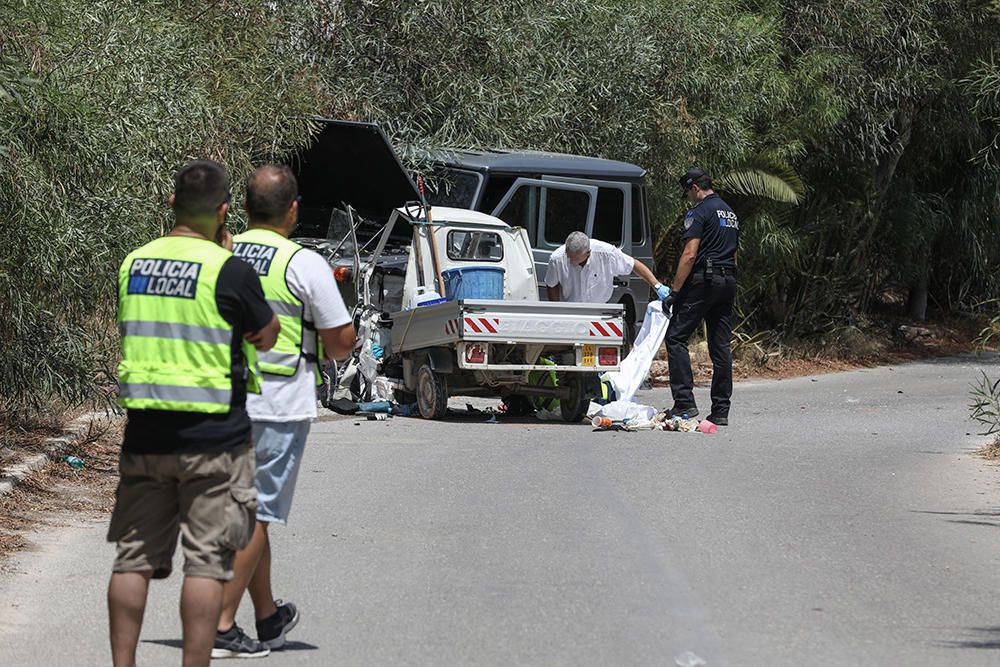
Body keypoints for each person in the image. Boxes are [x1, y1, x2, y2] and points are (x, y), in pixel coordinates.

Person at [107, 160, 280, 667]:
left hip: (145, 435)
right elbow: (265, 335)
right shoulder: (230, 271)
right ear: (225, 212)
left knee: (132, 559)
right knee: (206, 565)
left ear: (170, 205)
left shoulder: (134, 263)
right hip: (214, 441)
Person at [214, 165, 356, 658]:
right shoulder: (303, 262)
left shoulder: (223, 252)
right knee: (259, 513)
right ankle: (221, 624)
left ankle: (268, 619)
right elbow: (340, 344)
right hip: (277, 402)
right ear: (293, 210)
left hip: (225, 400)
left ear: (246, 208)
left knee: (250, 512)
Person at [662, 167, 739, 425]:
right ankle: (720, 410)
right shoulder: (730, 212)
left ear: (695, 188)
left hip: (705, 280)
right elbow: (734, 252)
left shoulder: (699, 211)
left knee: (675, 337)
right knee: (720, 346)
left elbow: (690, 254)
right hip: (728, 279)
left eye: (687, 193)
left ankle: (684, 403)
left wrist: (674, 291)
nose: (688, 199)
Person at [545, 231, 669, 304]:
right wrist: (558, 309)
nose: (570, 261)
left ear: (588, 253)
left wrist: (657, 286)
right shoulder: (557, 258)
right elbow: (551, 285)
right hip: (570, 310)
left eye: (575, 258)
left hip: (599, 310)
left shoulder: (607, 254)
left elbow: (634, 265)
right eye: (568, 255)